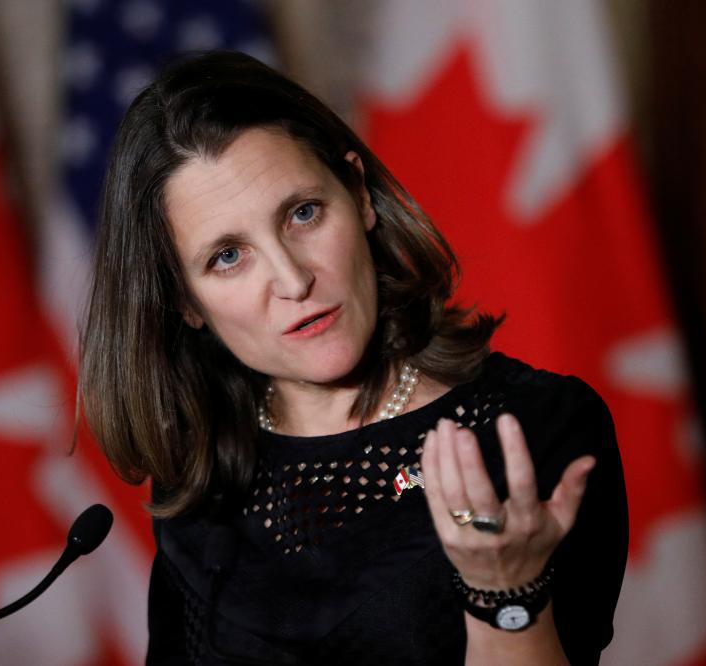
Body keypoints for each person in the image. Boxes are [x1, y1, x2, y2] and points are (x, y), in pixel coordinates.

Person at [79, 51, 628, 665]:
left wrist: (505, 592)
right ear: (187, 303)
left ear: (359, 194)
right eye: (228, 256)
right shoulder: (203, 478)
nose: (292, 279)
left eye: (303, 214)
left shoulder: (535, 429)